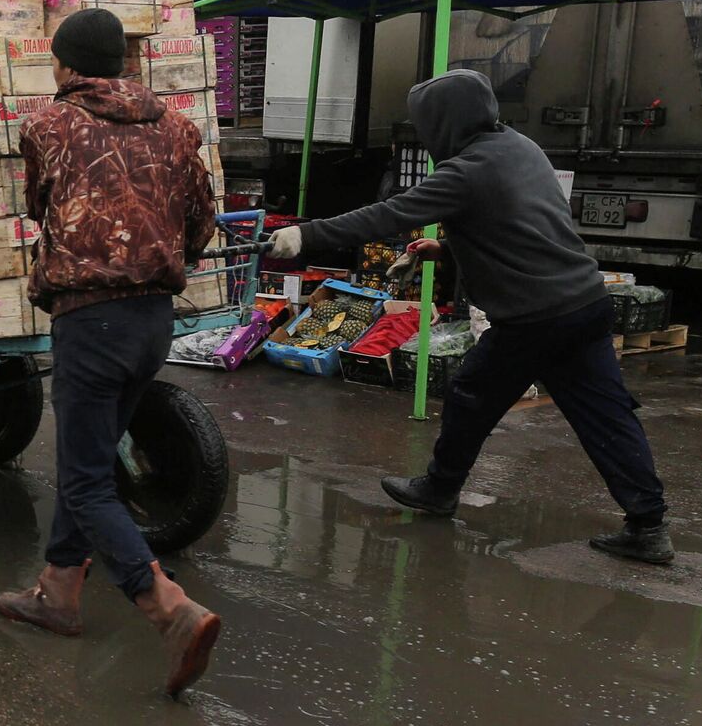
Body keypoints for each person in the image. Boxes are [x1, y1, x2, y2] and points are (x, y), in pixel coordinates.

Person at [269, 69, 673, 564]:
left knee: (469, 396)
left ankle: (439, 489)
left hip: (533, 317)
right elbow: (516, 221)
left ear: (446, 122)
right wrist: (446, 246)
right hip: (584, 304)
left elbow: (390, 214)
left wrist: (304, 236)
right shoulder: (520, 146)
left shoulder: (465, 170)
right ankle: (649, 526)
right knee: (606, 416)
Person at [0, 8, 222, 697]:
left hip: (90, 318)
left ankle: (169, 610)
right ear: (123, 63)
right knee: (88, 460)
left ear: (64, 66)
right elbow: (202, 222)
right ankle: (59, 592)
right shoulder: (177, 126)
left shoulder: (49, 125)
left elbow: (43, 207)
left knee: (87, 480)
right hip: (154, 318)